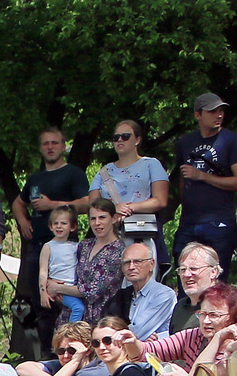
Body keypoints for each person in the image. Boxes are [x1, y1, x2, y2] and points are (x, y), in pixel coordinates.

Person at [12, 127, 92, 355]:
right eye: (45, 143)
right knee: (42, 304)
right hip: (38, 247)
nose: (50, 147)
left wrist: (52, 205)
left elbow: (87, 203)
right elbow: (18, 203)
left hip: (66, 248)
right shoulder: (35, 178)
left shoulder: (73, 174)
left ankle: (74, 348)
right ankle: (49, 355)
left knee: (67, 302)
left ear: (63, 146)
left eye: (54, 143)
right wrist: (23, 222)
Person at [90, 120, 170, 268]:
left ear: (137, 140)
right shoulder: (104, 172)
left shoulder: (151, 164)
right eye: (116, 137)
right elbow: (93, 204)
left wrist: (128, 208)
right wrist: (114, 208)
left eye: (126, 136)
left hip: (140, 234)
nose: (120, 140)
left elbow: (160, 200)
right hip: (110, 237)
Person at [172, 93, 237, 276]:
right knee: (185, 274)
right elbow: (181, 178)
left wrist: (202, 176)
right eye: (212, 111)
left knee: (215, 280)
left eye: (221, 111)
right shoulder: (186, 142)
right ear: (198, 115)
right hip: (188, 221)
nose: (219, 115)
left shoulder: (231, 140)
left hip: (219, 221)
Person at [107, 242, 176, 340]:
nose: (131, 267)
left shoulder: (164, 295)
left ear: (152, 264)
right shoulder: (121, 296)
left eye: (137, 262)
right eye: (127, 262)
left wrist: (112, 337)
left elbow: (137, 333)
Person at [75, 202, 126, 324]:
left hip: (102, 317)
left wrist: (59, 288)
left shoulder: (119, 250)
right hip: (76, 313)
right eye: (93, 218)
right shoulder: (85, 245)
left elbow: (94, 291)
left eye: (102, 217)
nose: (97, 223)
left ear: (113, 219)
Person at [38, 206, 87, 324]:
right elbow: (43, 271)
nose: (59, 226)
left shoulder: (76, 246)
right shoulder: (48, 246)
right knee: (78, 308)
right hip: (59, 289)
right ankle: (71, 332)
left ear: (72, 227)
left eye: (64, 223)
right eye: (55, 223)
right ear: (50, 226)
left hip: (72, 287)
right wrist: (43, 292)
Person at [172, 241, 224, 333]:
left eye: (194, 269)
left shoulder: (225, 306)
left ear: (213, 272)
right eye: (183, 269)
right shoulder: (180, 307)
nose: (187, 274)